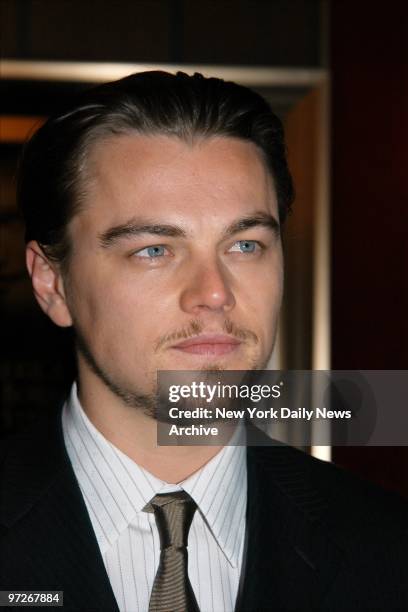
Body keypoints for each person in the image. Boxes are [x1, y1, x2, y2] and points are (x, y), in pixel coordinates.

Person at [0, 71, 406, 612]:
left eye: (244, 245)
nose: (214, 293)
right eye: (154, 250)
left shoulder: (387, 550)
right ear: (53, 284)